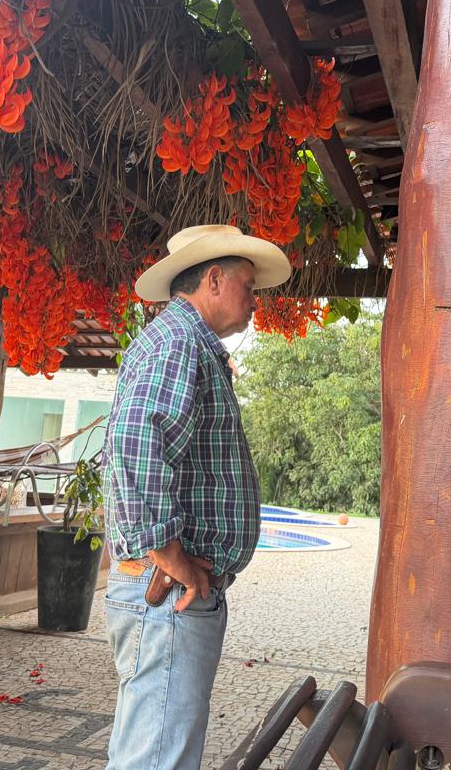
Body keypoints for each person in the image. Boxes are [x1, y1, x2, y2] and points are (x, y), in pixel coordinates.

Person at [102, 224, 291, 770]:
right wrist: (169, 555)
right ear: (213, 279)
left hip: (172, 593)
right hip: (168, 591)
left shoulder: (181, 342)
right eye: (248, 287)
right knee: (158, 759)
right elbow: (136, 440)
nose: (255, 301)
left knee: (149, 750)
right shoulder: (179, 343)